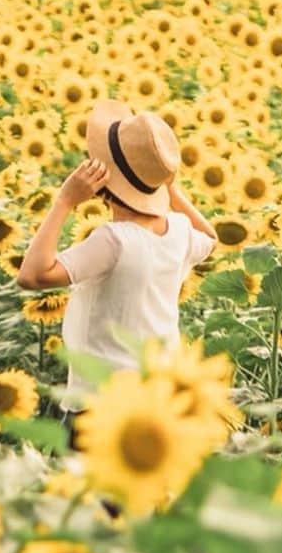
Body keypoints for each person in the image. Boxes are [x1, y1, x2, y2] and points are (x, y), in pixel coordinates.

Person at [17, 99, 218, 405]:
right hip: (158, 399)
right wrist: (170, 190)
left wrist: (65, 202)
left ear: (103, 180)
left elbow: (32, 275)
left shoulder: (113, 241)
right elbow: (209, 236)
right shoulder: (178, 232)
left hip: (101, 403)